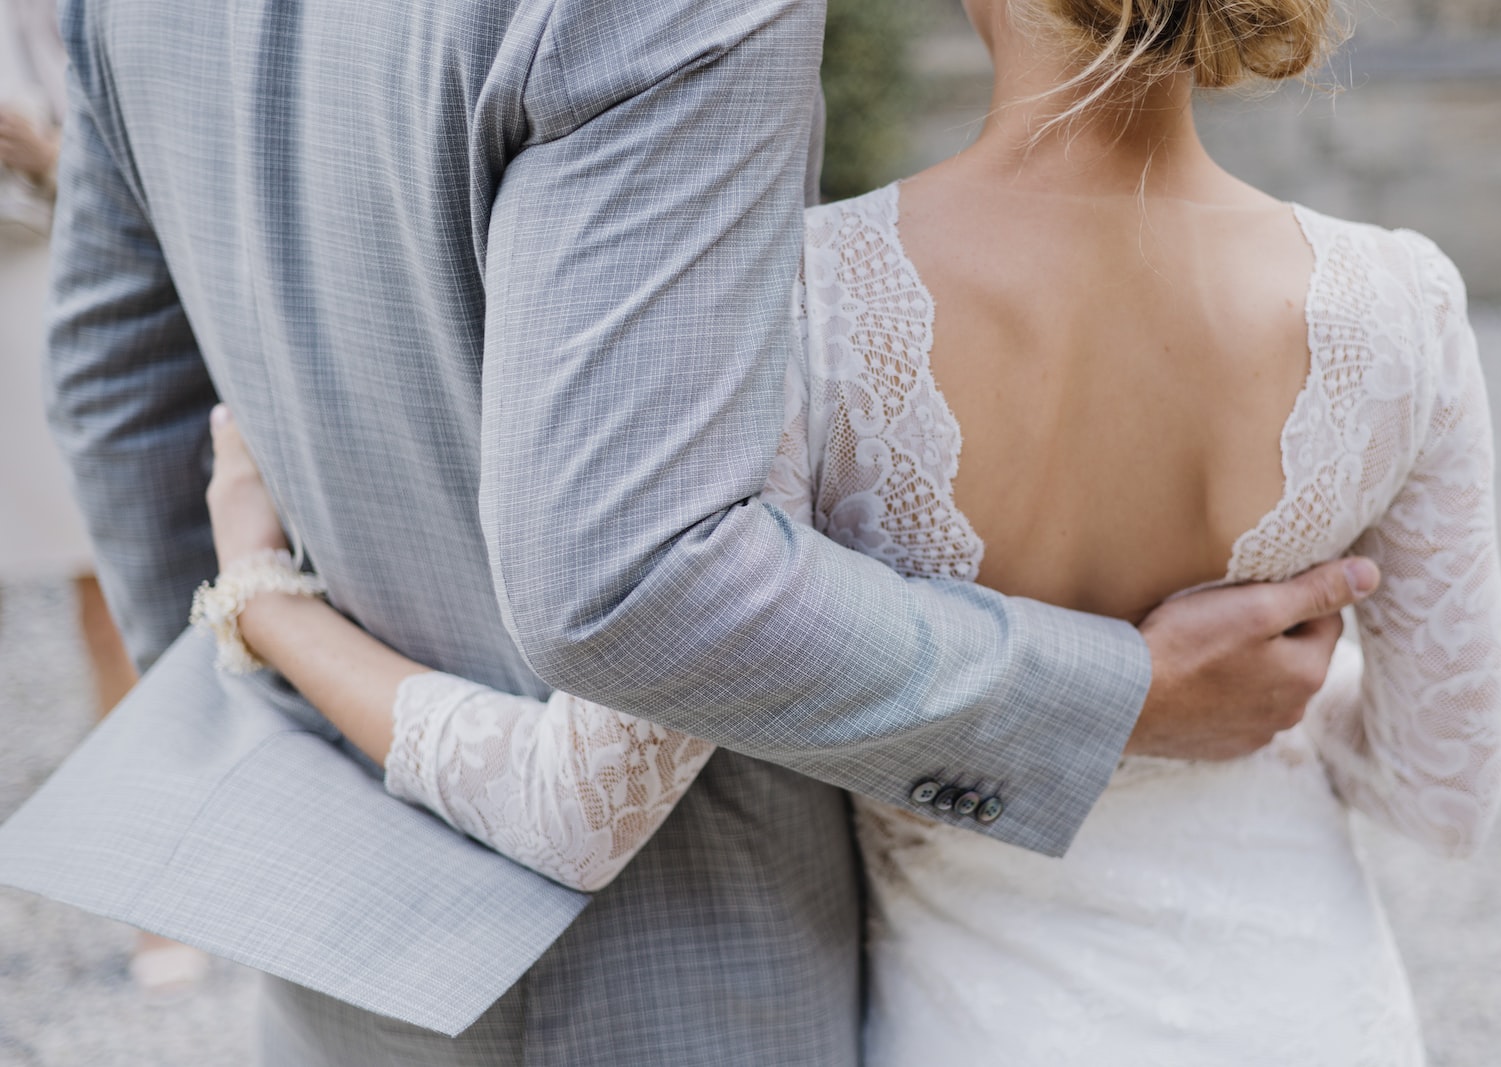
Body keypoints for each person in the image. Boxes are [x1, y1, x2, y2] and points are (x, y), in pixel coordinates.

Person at [0, 0, 1378, 1063]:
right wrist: (1111, 694)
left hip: (346, 951)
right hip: (678, 961)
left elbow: (123, 398)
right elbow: (632, 579)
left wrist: (279, 747)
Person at [0, 0, 210, 1001]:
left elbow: (148, 160)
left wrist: (43, 153)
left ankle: (154, 892)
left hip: (46, 291)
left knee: (115, 609)